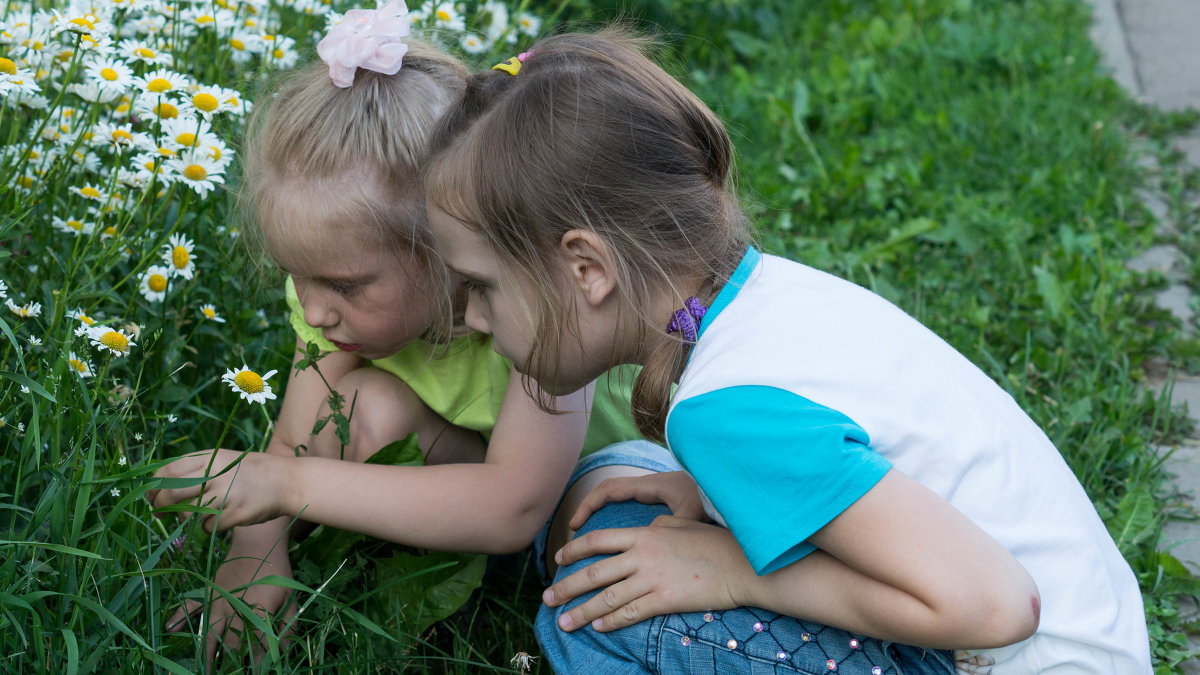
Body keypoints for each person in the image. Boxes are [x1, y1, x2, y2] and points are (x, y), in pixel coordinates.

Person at [422, 28, 1153, 673]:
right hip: (1073, 634)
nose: (473, 317)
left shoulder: (723, 410)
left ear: (587, 269)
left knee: (598, 611)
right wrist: (712, 501)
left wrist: (734, 571)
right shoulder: (767, 299)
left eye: (478, 285)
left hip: (1003, 643)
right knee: (624, 505)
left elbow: (997, 605)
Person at [146, 5, 646, 664]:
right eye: (299, 277)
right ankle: (412, 575)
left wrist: (291, 488)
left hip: (592, 493)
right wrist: (254, 551)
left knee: (593, 540)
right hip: (470, 480)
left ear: (447, 249)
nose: (316, 311)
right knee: (362, 411)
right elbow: (297, 440)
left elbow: (514, 506)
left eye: (347, 286)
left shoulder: (532, 306)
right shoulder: (332, 303)